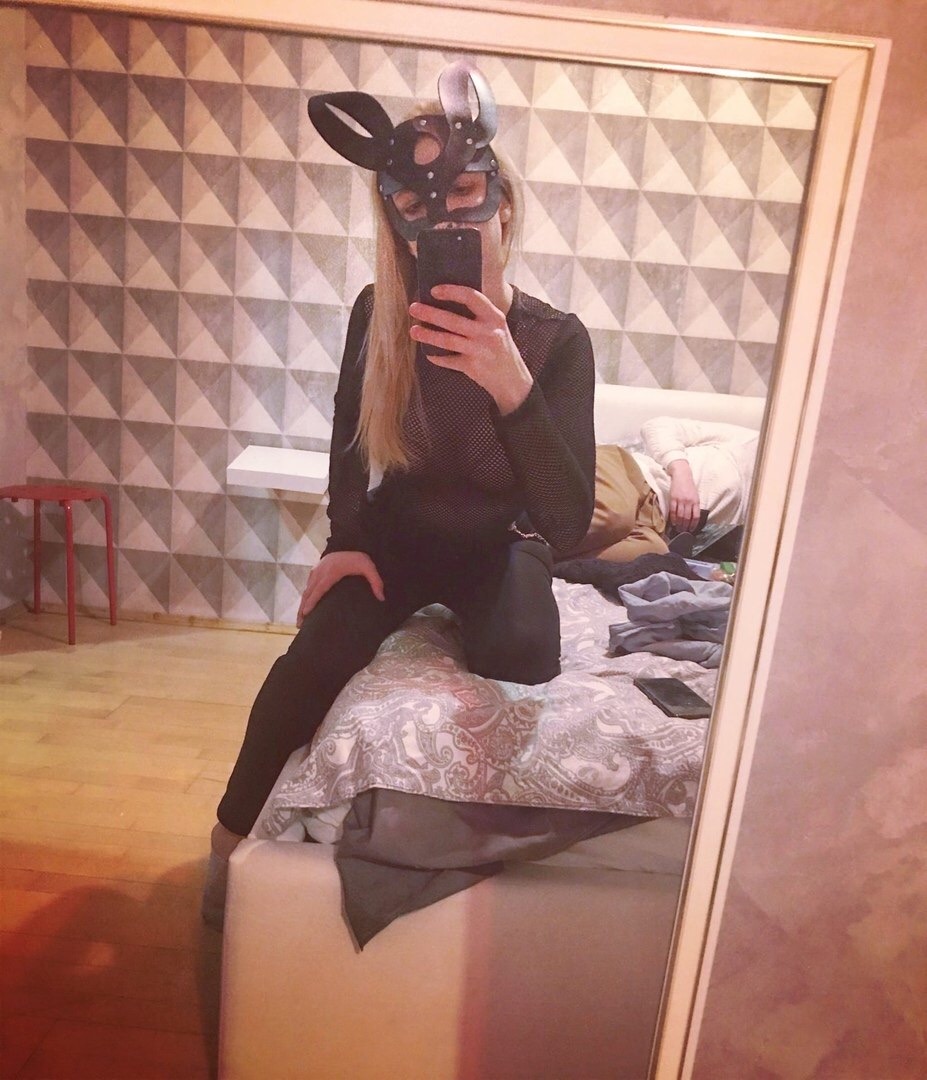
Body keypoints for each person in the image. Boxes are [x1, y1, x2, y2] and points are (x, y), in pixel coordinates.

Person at [201, 61, 596, 925]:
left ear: (504, 204)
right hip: (398, 536)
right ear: (395, 223)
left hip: (498, 541)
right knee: (310, 662)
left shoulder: (556, 340)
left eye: (465, 194)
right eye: (415, 206)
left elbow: (566, 522)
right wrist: (344, 541)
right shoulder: (378, 312)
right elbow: (350, 439)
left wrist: (511, 384)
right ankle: (227, 845)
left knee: (525, 655)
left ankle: (452, 621)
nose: (445, 220)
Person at [555, 416, 759, 566]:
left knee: (655, 555)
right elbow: (656, 426)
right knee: (616, 516)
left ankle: (543, 554)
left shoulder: (771, 521)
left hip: (655, 527)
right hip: (631, 474)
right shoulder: (754, 443)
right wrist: (681, 473)